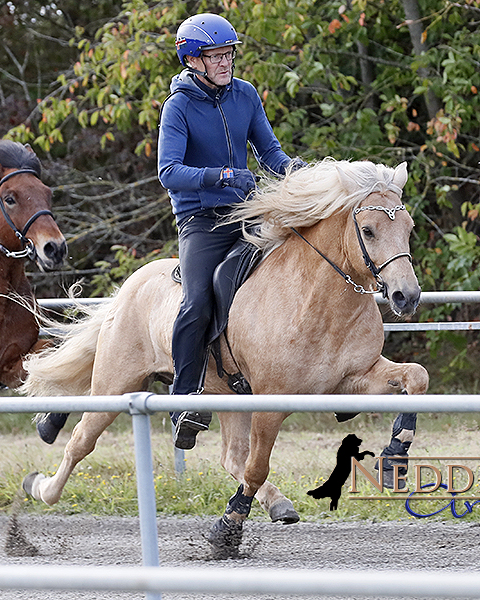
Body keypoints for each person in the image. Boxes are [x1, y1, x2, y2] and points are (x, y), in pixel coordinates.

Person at [157, 13, 304, 449]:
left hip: (245, 212)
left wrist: (300, 174)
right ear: (193, 60)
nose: (225, 62)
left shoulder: (245, 95)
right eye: (216, 56)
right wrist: (219, 176)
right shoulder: (178, 106)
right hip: (201, 220)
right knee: (199, 299)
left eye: (228, 54)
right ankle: (183, 399)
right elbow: (168, 171)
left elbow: (270, 153)